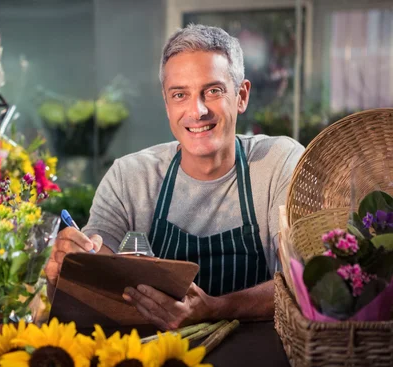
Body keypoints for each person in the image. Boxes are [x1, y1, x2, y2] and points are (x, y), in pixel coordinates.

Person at [45, 24, 305, 330]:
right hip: (156, 365)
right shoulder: (130, 177)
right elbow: (93, 269)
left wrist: (216, 308)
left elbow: (303, 280)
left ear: (241, 96)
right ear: (167, 104)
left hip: (257, 361)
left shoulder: (278, 162)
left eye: (213, 91)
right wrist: (69, 266)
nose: (197, 111)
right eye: (180, 94)